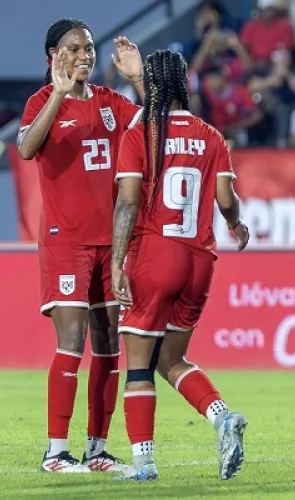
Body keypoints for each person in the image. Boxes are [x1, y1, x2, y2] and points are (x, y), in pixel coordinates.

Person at [111, 49, 250, 481]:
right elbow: (226, 201)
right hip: (200, 260)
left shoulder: (141, 134)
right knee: (171, 357)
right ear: (184, 83)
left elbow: (128, 203)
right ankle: (222, 415)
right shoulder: (212, 136)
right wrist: (236, 223)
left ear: (151, 88)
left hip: (156, 254)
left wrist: (117, 261)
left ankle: (144, 463)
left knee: (137, 363)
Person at [17, 18, 145, 473]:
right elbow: (27, 148)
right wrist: (57, 93)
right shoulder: (39, 102)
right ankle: (55, 452)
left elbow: (159, 125)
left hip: (109, 244)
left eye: (89, 48)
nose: (84, 55)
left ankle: (96, 449)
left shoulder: (112, 103)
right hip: (65, 241)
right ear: (53, 56)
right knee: (73, 339)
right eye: (73, 49)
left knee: (109, 343)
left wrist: (138, 80)